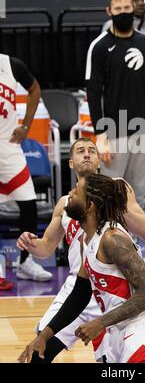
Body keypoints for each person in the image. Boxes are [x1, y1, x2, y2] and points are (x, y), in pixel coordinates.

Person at [17, 137, 145, 363]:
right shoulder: (65, 202)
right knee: (36, 355)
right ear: (71, 163)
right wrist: (32, 244)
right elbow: (46, 248)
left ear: (99, 161)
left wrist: (112, 200)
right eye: (80, 151)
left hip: (112, 291)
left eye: (91, 150)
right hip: (77, 288)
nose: (87, 154)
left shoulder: (117, 187)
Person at [85, 0, 145, 209]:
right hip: (114, 133)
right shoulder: (99, 47)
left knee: (137, 196)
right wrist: (100, 135)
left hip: (143, 131)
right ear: (108, 11)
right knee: (111, 195)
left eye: (127, 8)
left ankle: (132, 243)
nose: (123, 13)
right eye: (118, 9)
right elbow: (93, 93)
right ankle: (107, 242)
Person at [0, 54, 52, 291]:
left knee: (29, 204)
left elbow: (35, 89)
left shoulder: (11, 64)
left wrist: (27, 125)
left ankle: (25, 261)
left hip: (9, 146)